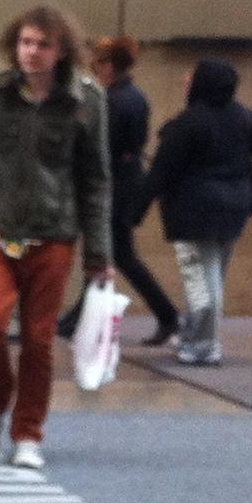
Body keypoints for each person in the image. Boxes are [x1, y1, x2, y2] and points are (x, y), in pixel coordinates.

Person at [0, 5, 112, 470]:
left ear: (61, 52)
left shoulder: (86, 100)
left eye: (42, 44)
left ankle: (28, 433)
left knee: (39, 340)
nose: (31, 52)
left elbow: (96, 181)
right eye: (25, 43)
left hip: (54, 234)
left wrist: (100, 252)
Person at [138, 57, 252, 367]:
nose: (185, 80)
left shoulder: (188, 123)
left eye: (190, 77)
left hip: (193, 211)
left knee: (201, 281)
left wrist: (134, 212)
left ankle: (203, 345)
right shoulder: (244, 116)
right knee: (213, 278)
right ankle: (195, 335)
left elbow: (160, 173)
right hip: (236, 207)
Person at [58, 37, 177, 348]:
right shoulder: (131, 96)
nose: (94, 70)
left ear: (108, 66)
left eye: (97, 64)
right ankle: (78, 318)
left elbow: (103, 148)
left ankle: (167, 315)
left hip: (116, 187)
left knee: (117, 254)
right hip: (125, 183)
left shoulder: (115, 100)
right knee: (112, 254)